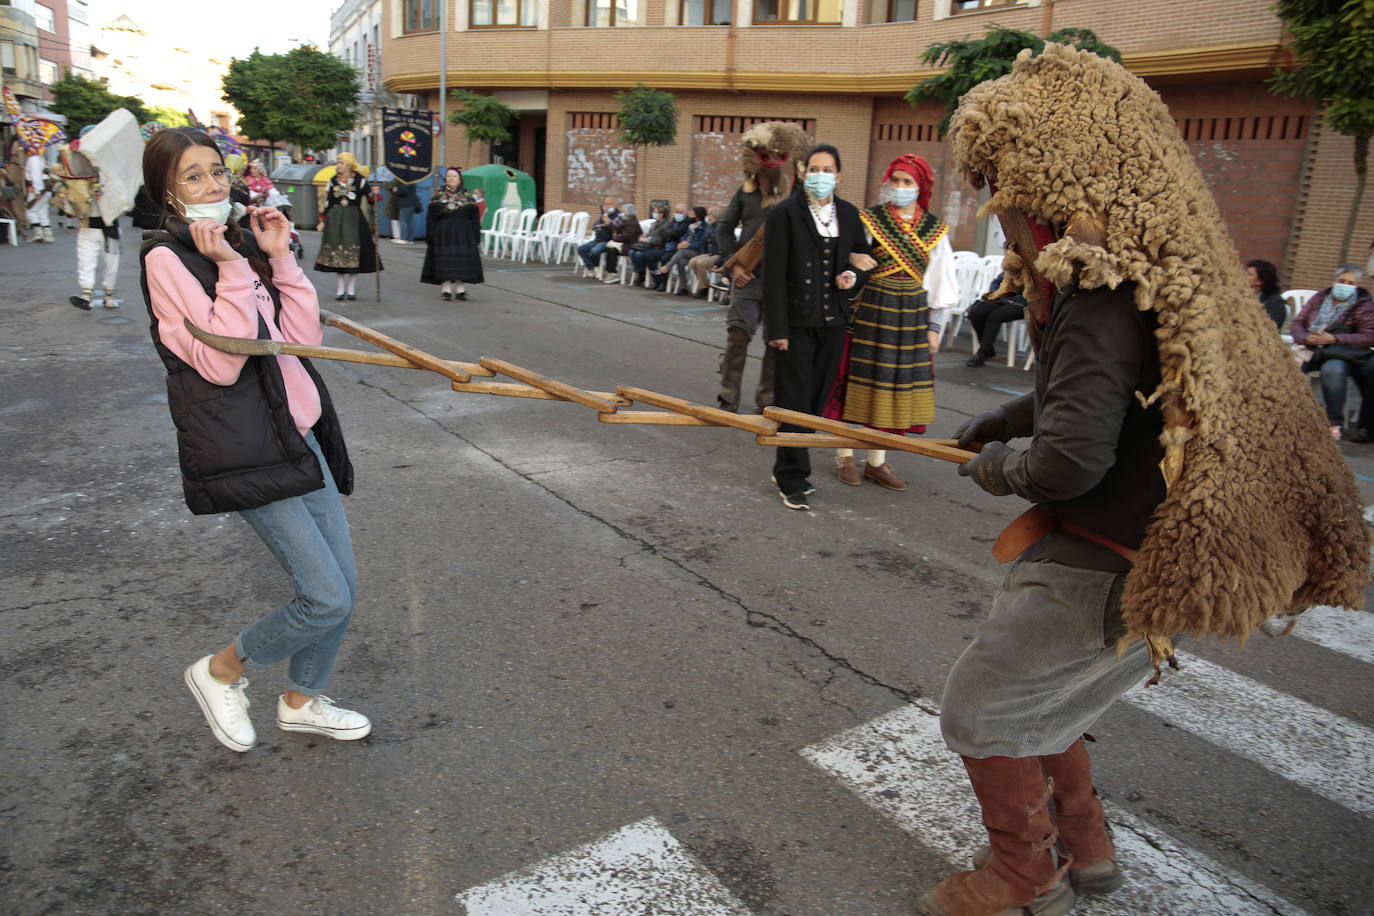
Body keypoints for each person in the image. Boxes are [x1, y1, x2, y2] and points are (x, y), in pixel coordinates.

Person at [924, 45, 1366, 916]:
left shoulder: (1095, 289)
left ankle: (1025, 875)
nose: (998, 207)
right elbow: (1118, 396)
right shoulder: (1154, 270)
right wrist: (1009, 417)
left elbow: (1070, 460)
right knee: (1043, 700)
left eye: (1001, 182)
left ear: (1049, 176)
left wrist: (1003, 465)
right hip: (1141, 549)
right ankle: (1086, 848)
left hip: (1106, 556)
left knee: (979, 709)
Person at [137, 126, 369, 753]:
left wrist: (280, 257)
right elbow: (221, 361)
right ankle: (219, 672)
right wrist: (234, 268)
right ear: (166, 191)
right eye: (193, 176)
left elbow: (297, 338)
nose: (213, 185)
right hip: (248, 451)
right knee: (322, 598)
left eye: (217, 171)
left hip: (301, 441)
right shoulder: (168, 260)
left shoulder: (239, 245)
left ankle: (301, 701)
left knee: (341, 591)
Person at [832, 154, 957, 491]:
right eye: (896, 180)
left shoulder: (935, 230)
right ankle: (844, 454)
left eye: (908, 182)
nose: (900, 188)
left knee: (893, 386)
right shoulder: (869, 220)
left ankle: (876, 461)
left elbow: (941, 279)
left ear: (920, 187)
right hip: (872, 309)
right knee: (861, 382)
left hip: (911, 316)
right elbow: (854, 262)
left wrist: (935, 327)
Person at [763, 144, 870, 510]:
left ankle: (788, 468)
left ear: (838, 177)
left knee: (815, 402)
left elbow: (863, 259)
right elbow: (773, 273)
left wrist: (851, 277)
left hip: (833, 323)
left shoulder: (851, 215)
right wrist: (776, 328)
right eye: (814, 168)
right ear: (804, 172)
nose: (820, 175)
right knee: (792, 402)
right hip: (793, 324)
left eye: (827, 170)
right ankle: (792, 475)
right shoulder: (784, 214)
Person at [715, 121, 811, 413]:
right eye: (764, 156)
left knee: (775, 341)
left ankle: (767, 400)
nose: (770, 163)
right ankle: (728, 396)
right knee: (737, 336)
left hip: (783, 283)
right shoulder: (745, 192)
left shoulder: (802, 197)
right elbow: (723, 227)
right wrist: (734, 267)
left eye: (777, 157)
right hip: (748, 278)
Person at [1290, 264, 1374, 439]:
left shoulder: (1363, 305)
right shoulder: (1319, 298)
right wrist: (1306, 337)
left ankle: (1333, 422)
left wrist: (1335, 339)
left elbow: (1368, 336)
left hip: (1342, 353)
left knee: (1333, 369)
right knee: (1285, 363)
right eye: (1341, 281)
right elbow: (1298, 323)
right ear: (1334, 281)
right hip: (1312, 348)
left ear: (1357, 285)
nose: (1345, 285)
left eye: (1350, 282)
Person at [314, 152, 382, 301]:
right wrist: (322, 221)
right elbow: (327, 203)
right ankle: (340, 289)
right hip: (336, 219)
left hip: (354, 219)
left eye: (342, 163)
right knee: (337, 254)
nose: (339, 165)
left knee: (354, 254)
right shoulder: (332, 181)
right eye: (338, 162)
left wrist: (374, 194)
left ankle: (351, 288)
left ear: (349, 165)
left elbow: (371, 200)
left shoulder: (359, 180)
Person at [421, 166, 485, 301]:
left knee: (461, 262)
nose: (451, 178)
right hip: (443, 234)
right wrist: (431, 233)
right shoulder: (438, 194)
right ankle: (446, 290)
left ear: (459, 179)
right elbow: (431, 216)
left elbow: (474, 217)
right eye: (449, 176)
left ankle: (461, 289)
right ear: (446, 179)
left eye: (454, 176)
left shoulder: (467, 194)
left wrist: (475, 235)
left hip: (463, 233)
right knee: (445, 262)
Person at [964, 273, 1028, 367]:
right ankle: (988, 349)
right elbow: (997, 282)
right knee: (976, 313)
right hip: (1003, 298)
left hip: (1022, 303)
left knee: (996, 315)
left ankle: (982, 353)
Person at [630, 203, 689, 289]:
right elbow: (659, 235)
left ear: (661, 214)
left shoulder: (670, 224)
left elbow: (664, 238)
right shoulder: (657, 223)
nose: (677, 214)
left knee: (646, 255)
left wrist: (648, 240)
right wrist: (645, 238)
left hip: (664, 247)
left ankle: (660, 281)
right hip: (654, 245)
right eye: (676, 211)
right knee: (633, 252)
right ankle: (645, 275)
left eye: (656, 212)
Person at [656, 206, 711, 294]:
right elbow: (684, 236)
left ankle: (667, 267)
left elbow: (701, 243)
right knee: (681, 261)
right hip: (687, 250)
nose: (691, 214)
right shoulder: (691, 226)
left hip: (698, 251)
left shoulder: (704, 227)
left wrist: (688, 245)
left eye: (693, 213)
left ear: (697, 215)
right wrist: (682, 242)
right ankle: (683, 286)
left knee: (681, 252)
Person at [578, 198, 623, 275]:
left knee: (594, 252)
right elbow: (594, 226)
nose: (607, 206)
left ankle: (597, 266)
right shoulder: (604, 214)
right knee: (581, 249)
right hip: (598, 239)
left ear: (615, 205)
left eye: (609, 204)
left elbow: (616, 228)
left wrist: (607, 222)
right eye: (606, 204)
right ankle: (591, 268)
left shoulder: (619, 215)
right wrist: (603, 223)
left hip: (607, 241)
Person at [688, 207, 724, 298]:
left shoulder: (721, 227)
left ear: (714, 216)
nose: (707, 217)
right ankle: (705, 284)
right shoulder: (709, 227)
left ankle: (703, 288)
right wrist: (702, 253)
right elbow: (704, 242)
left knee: (701, 263)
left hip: (717, 253)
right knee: (692, 262)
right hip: (709, 252)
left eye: (709, 215)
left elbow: (720, 243)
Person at [601, 204, 641, 282]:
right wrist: (609, 223)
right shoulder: (626, 221)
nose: (622, 213)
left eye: (623, 212)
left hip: (629, 245)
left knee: (612, 250)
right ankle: (610, 272)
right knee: (609, 248)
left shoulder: (633, 223)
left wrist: (614, 238)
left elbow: (625, 236)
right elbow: (617, 229)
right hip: (624, 243)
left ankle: (612, 273)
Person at [1245, 258, 1287, 328]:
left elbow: (1271, 327)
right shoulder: (1240, 295)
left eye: (1249, 274)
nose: (1244, 275)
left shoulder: (1275, 302)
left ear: (1260, 281)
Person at [25, 144, 53, 243]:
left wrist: (37, 190)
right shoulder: (41, 158)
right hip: (45, 188)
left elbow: (36, 175)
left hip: (38, 188)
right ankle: (48, 234)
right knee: (42, 211)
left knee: (31, 211)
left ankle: (39, 234)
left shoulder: (34, 159)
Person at [387, 177, 421, 244]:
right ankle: (410, 239)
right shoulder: (412, 180)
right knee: (409, 222)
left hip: (406, 203)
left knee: (403, 221)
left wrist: (396, 190)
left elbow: (403, 191)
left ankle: (404, 238)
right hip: (412, 203)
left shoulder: (404, 180)